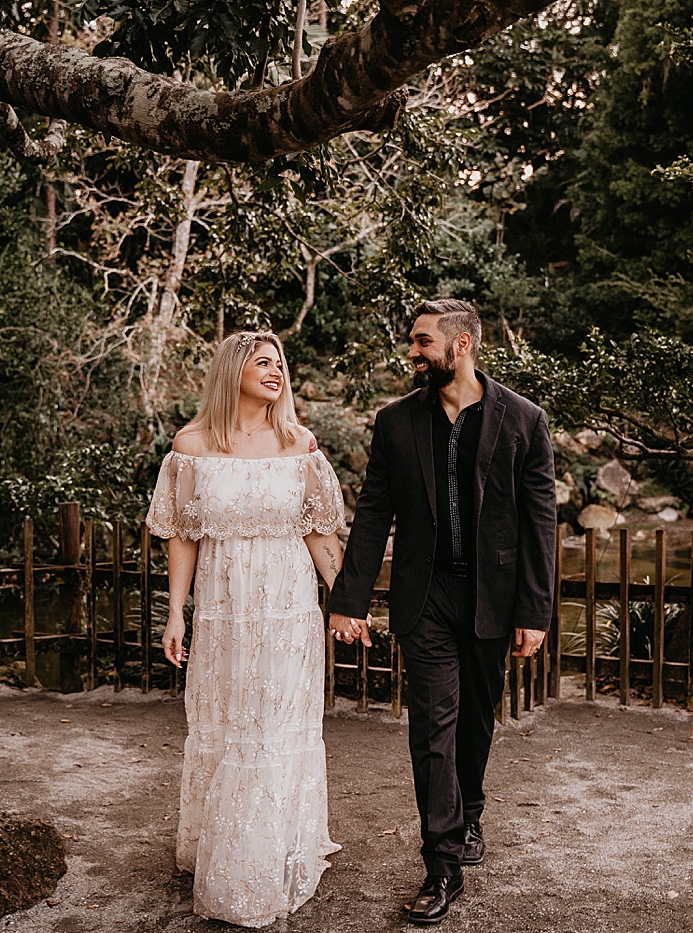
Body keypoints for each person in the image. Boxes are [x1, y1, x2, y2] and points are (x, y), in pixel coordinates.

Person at [327, 299, 558, 925]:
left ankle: (469, 812)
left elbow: (540, 525)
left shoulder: (524, 420)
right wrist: (349, 601)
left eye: (423, 341)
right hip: (424, 597)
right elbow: (373, 513)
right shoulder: (396, 421)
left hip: (492, 599)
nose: (413, 352)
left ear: (461, 345)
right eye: (413, 340)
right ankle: (442, 866)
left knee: (476, 723)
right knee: (432, 730)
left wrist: (535, 612)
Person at [148, 331, 351, 928]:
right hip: (223, 612)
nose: (276, 371)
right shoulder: (191, 446)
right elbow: (183, 535)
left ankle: (267, 855)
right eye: (263, 362)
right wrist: (176, 612)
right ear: (232, 371)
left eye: (280, 363)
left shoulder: (299, 444)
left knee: (274, 728)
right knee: (228, 724)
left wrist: (346, 601)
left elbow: (319, 532)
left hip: (289, 611)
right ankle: (220, 845)